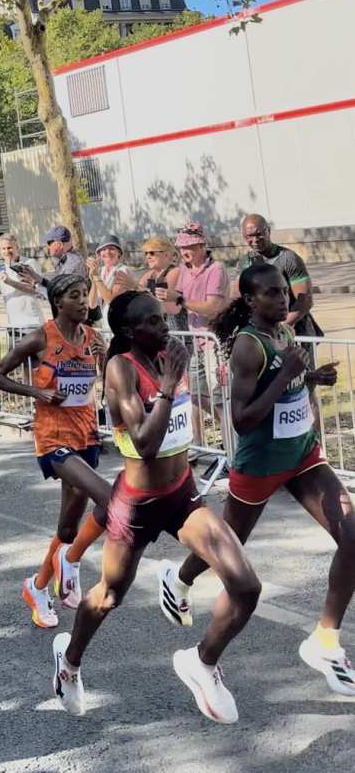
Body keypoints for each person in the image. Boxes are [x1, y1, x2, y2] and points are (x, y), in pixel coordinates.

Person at [51, 289, 260, 721]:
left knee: (246, 586)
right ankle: (69, 664)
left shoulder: (171, 354)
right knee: (108, 596)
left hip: (182, 494)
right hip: (136, 506)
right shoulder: (119, 369)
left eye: (164, 319)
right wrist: (166, 387)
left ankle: (201, 662)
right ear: (130, 331)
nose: (164, 327)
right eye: (152, 322)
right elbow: (145, 445)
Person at [164, 263, 354, 696]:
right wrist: (288, 376)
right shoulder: (248, 347)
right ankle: (181, 583)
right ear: (250, 300)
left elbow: (286, 383)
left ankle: (325, 641)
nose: (283, 298)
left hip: (303, 456)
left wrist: (310, 378)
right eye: (271, 293)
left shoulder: (282, 333)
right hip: (261, 465)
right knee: (230, 545)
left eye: (284, 291)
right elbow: (243, 419)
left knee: (353, 536)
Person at [0, 275, 111, 629]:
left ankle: (38, 586)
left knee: (68, 527)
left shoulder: (93, 338)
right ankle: (70, 563)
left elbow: (98, 385)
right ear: (58, 302)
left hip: (85, 433)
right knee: (110, 498)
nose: (82, 302)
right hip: (53, 438)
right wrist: (37, 393)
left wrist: (105, 360)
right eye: (74, 296)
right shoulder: (41, 337)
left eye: (83, 295)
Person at [157, 222, 229, 444]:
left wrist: (178, 299)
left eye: (188, 247)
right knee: (196, 398)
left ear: (201, 246)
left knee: (218, 399)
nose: (183, 252)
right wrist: (159, 296)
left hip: (216, 344)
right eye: (180, 248)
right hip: (195, 344)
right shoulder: (184, 271)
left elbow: (212, 308)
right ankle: (210, 444)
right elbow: (175, 307)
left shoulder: (216, 269)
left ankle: (233, 448)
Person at [235, 215, 319, 340]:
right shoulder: (244, 263)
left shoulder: (288, 259)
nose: (255, 240)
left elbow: (305, 301)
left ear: (268, 231)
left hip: (294, 332)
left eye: (259, 234)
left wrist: (283, 327)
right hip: (262, 333)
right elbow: (240, 298)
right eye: (249, 236)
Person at [0, 233, 46, 340]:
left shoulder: (29, 263)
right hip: (14, 327)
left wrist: (10, 282)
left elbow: (34, 289)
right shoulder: (0, 269)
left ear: (17, 247)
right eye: (3, 248)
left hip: (33, 324)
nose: (7, 251)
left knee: (37, 357)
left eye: (10, 247)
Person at [87, 235, 135, 327]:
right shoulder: (100, 271)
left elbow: (110, 300)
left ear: (119, 253)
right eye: (104, 249)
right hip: (107, 325)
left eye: (111, 248)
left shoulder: (123, 270)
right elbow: (92, 304)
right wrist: (93, 279)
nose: (107, 252)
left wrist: (96, 277)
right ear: (99, 255)